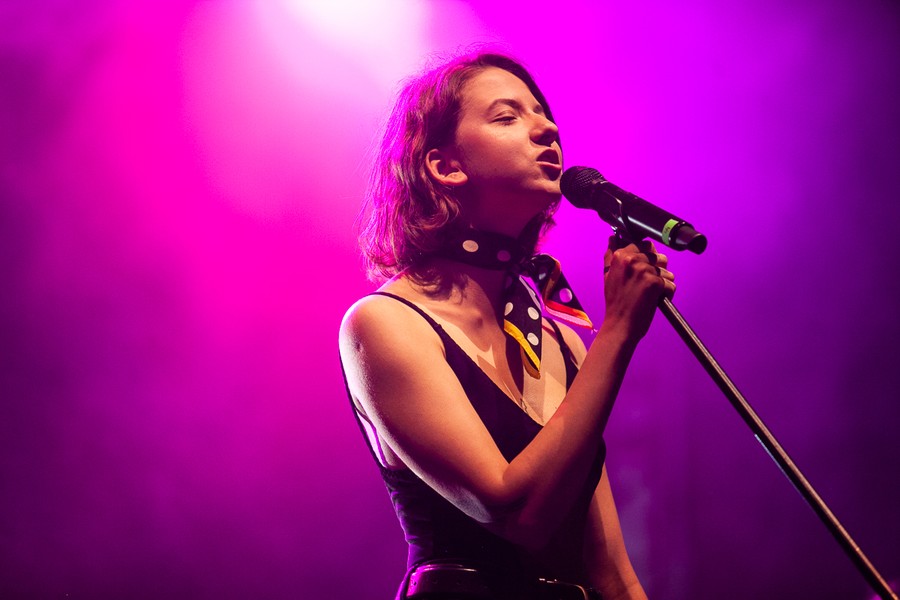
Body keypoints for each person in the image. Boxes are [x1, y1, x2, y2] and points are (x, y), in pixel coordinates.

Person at [339, 52, 675, 600]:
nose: (547, 129)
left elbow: (611, 572)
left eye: (543, 114)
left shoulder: (563, 342)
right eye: (507, 116)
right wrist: (617, 330)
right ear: (445, 166)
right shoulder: (384, 322)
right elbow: (515, 513)